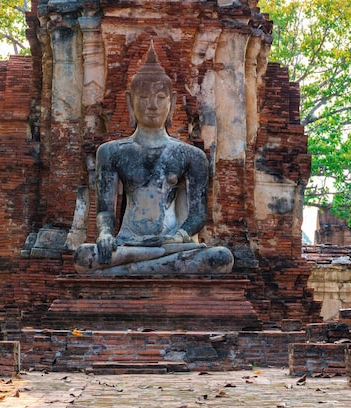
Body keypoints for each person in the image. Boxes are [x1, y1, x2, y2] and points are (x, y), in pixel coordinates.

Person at [74, 45, 233, 276]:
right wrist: (106, 234)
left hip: (171, 243)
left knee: (221, 258)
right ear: (130, 101)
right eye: (144, 96)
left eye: (160, 97)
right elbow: (105, 211)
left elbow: (198, 215)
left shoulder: (191, 155)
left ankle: (129, 270)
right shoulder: (110, 152)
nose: (152, 105)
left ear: (172, 101)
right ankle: (150, 265)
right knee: (83, 256)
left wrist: (178, 236)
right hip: (129, 243)